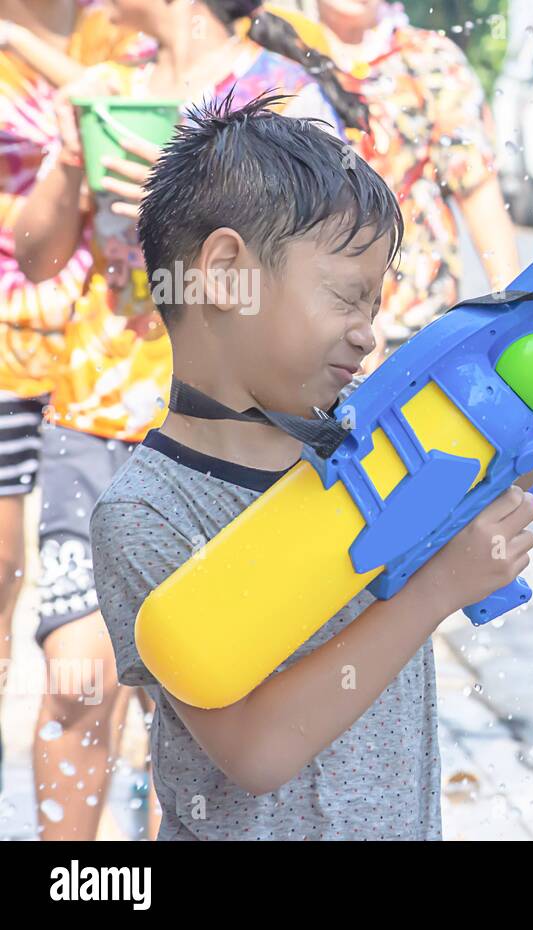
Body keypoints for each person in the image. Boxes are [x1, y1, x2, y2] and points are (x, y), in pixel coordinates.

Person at [89, 93, 533, 840]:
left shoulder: (380, 437)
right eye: (346, 299)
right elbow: (257, 752)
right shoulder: (149, 511)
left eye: (376, 304)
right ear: (226, 272)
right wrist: (437, 590)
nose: (367, 335)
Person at [12, 0, 362, 839]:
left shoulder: (282, 99)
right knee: (75, 679)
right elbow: (33, 256)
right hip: (94, 415)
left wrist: (190, 219)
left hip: (228, 431)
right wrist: (67, 163)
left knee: (206, 684)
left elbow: (325, 267)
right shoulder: (108, 84)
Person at [0, 0, 145, 804]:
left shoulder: (119, 33)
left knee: (99, 616)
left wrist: (22, 41)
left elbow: (111, 98)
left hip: (93, 348)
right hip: (4, 334)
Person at [314, 0, 520, 352]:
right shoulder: (274, 58)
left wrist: (515, 315)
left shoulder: (431, 60)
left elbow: (480, 197)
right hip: (302, 331)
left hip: (410, 330)